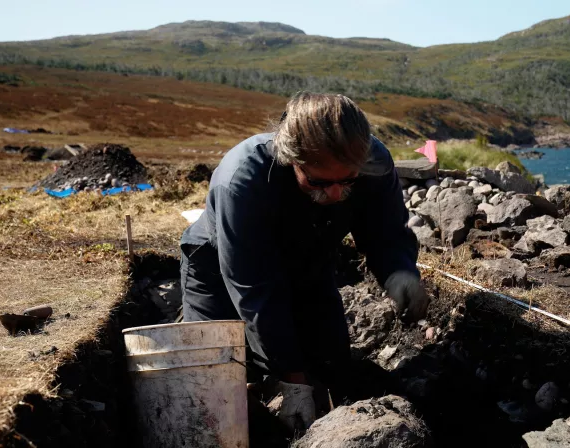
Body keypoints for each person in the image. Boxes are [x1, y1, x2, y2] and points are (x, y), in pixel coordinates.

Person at [179, 91, 431, 431]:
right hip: (220, 270)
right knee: (218, 383)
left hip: (308, 263)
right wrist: (290, 379)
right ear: (290, 159)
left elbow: (384, 231)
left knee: (333, 372)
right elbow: (253, 289)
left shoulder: (373, 163)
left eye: (348, 181)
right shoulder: (242, 181)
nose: (336, 194)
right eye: (318, 182)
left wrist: (399, 271)